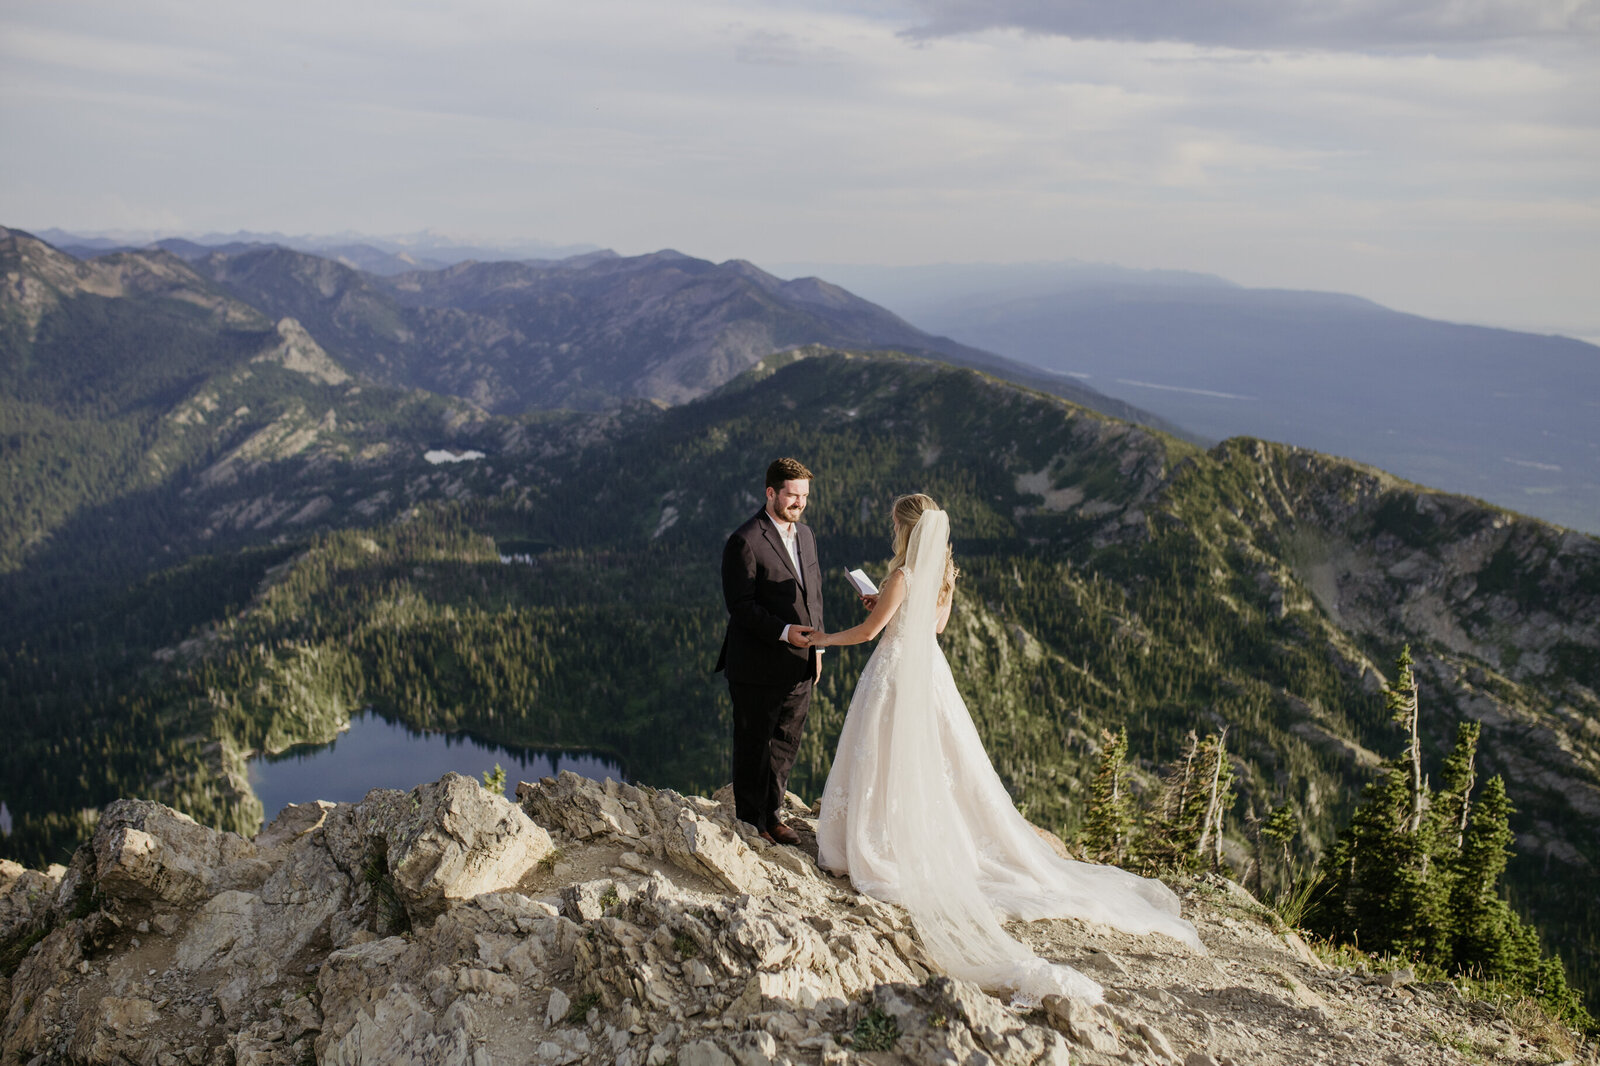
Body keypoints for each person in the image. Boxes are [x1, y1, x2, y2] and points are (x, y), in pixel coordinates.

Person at [810, 493, 1202, 1004]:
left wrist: (817, 638)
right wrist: (890, 605)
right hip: (928, 675)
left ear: (905, 530)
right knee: (929, 764)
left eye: (895, 525)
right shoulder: (942, 576)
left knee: (882, 756)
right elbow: (937, 627)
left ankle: (872, 839)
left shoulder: (902, 577)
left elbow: (869, 632)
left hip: (893, 674)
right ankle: (904, 834)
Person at [714, 458, 825, 846]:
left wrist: (819, 649)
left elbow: (814, 593)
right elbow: (740, 606)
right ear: (771, 492)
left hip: (800, 663)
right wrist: (783, 632)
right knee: (753, 745)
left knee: (784, 744)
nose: (799, 503)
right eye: (792, 495)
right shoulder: (745, 540)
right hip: (756, 666)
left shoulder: (807, 536)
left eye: (805, 496)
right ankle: (750, 822)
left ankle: (774, 815)